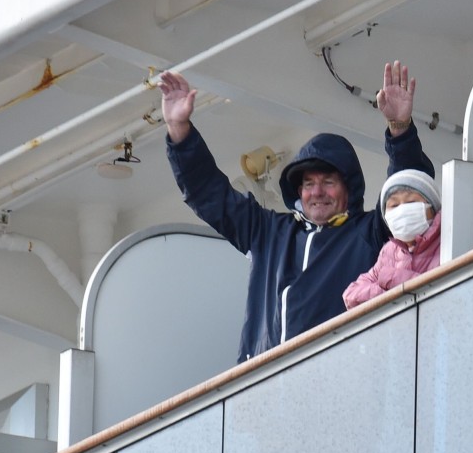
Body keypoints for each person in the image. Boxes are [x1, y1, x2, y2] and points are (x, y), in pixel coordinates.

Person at [160, 61, 435, 363]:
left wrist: (400, 130)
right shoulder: (267, 233)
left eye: (328, 182)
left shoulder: (369, 233)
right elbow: (208, 192)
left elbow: (409, 193)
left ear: (349, 189)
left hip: (341, 378)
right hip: (260, 385)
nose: (317, 192)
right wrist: (179, 130)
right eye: (308, 183)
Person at [342, 169, 442, 309]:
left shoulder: (447, 241)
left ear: (432, 207)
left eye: (411, 202)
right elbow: (351, 295)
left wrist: (392, 279)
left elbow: (440, 294)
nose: (402, 210)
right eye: (394, 205)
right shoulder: (389, 250)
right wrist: (391, 295)